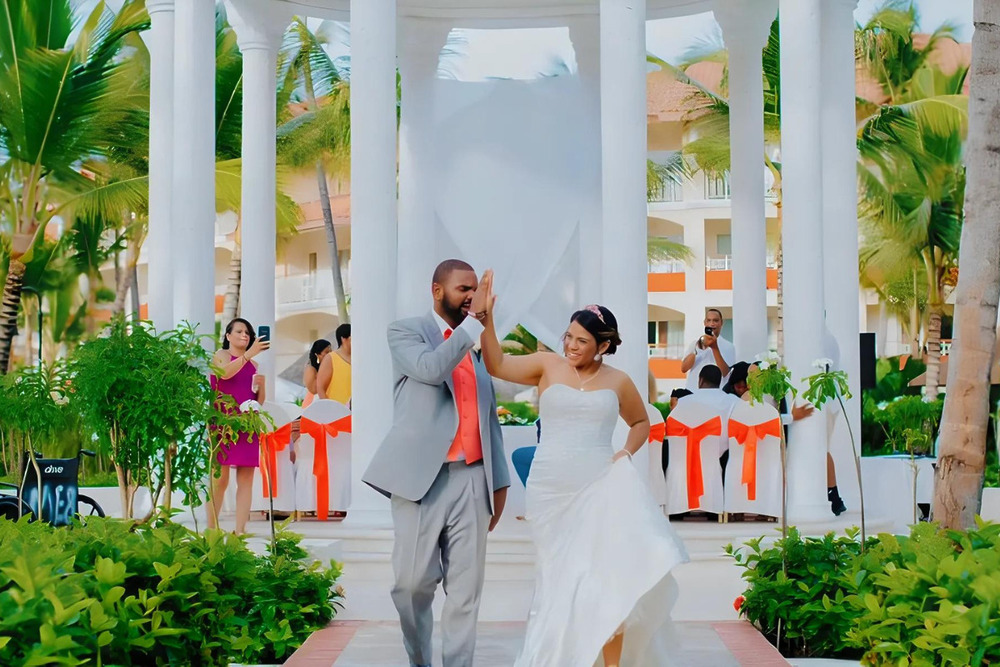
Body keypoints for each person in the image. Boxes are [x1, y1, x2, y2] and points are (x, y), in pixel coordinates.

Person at [478, 270, 688, 667]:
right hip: (550, 487)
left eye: (582, 341)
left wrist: (625, 452)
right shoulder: (546, 364)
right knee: (559, 578)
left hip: (598, 484)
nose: (572, 345)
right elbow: (497, 363)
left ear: (603, 345)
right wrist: (487, 318)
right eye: (569, 336)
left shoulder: (620, 381)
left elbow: (642, 423)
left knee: (602, 578)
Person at [362, 259, 510, 667]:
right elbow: (430, 368)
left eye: (474, 289)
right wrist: (473, 325)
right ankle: (419, 661)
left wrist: (500, 483)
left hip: (473, 478)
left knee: (466, 590)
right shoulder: (407, 331)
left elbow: (488, 413)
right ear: (436, 290)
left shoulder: (474, 343)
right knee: (410, 585)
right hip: (419, 482)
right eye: (463, 288)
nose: (470, 297)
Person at [724, 360, 846, 515]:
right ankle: (833, 496)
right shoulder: (751, 397)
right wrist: (791, 417)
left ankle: (833, 495)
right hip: (760, 444)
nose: (749, 384)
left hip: (764, 444)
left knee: (821, 451)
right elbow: (764, 419)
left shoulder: (767, 394)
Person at [207, 317, 269, 534]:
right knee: (220, 480)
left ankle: (240, 530)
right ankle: (212, 528)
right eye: (240, 331)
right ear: (228, 336)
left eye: (248, 332)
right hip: (223, 423)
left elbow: (257, 400)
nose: (245, 335)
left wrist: (261, 387)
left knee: (246, 479)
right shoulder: (221, 356)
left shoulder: (255, 365)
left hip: (246, 424)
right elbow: (224, 374)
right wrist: (248, 354)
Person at [681, 308, 735, 390]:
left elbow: (726, 373)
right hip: (693, 392)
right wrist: (698, 349)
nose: (712, 324)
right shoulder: (695, 344)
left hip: (716, 394)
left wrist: (715, 348)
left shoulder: (729, 346)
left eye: (715, 320)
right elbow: (684, 368)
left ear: (721, 323)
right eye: (709, 320)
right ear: (705, 323)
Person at [316, 323, 351, 405]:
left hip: (356, 412)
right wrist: (329, 409)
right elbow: (320, 387)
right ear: (343, 339)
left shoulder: (358, 358)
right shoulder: (330, 358)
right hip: (337, 412)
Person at [302, 338, 332, 408]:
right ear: (317, 355)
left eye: (331, 352)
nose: (330, 355)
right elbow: (314, 390)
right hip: (312, 405)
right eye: (327, 352)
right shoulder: (310, 369)